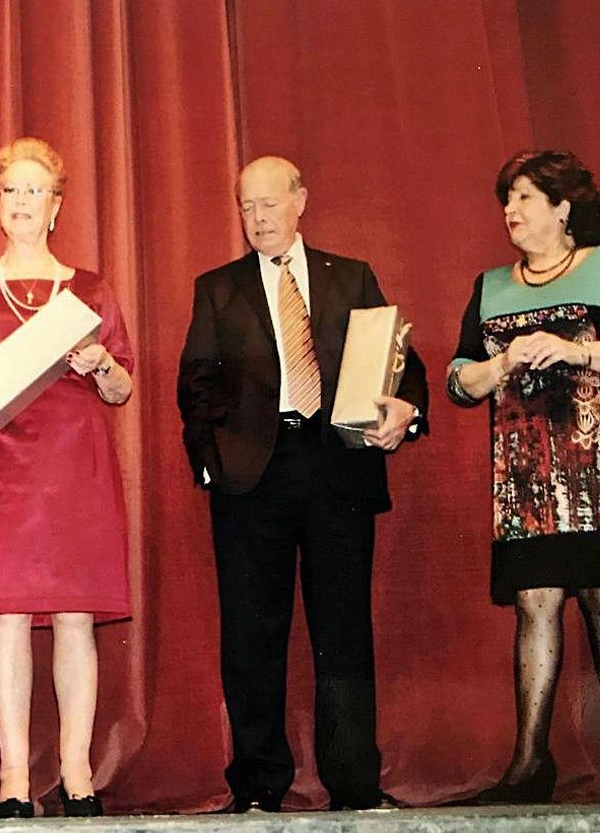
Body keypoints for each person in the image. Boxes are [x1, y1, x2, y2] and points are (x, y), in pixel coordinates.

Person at [177, 156, 427, 812]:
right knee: (252, 633)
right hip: (251, 476)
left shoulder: (353, 278)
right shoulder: (218, 288)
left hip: (337, 467)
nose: (258, 218)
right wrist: (213, 462)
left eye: (269, 203)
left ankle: (354, 785)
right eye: (246, 206)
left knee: (342, 628)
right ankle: (259, 784)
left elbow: (404, 367)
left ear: (300, 201)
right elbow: (195, 386)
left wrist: (407, 410)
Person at [447, 150, 600, 804]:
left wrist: (576, 349)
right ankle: (528, 763)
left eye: (525, 198)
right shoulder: (490, 287)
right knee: (533, 604)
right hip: (525, 478)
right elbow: (459, 380)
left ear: (564, 207)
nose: (510, 211)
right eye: (506, 199)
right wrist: (502, 361)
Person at [0, 137, 133, 818]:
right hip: (2, 470)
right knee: (10, 617)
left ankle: (77, 774)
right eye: (11, 191)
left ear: (56, 206)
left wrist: (102, 362)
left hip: (76, 466)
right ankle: (14, 779)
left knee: (77, 616)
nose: (22, 202)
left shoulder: (92, 289)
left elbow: (122, 389)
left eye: (34, 191)